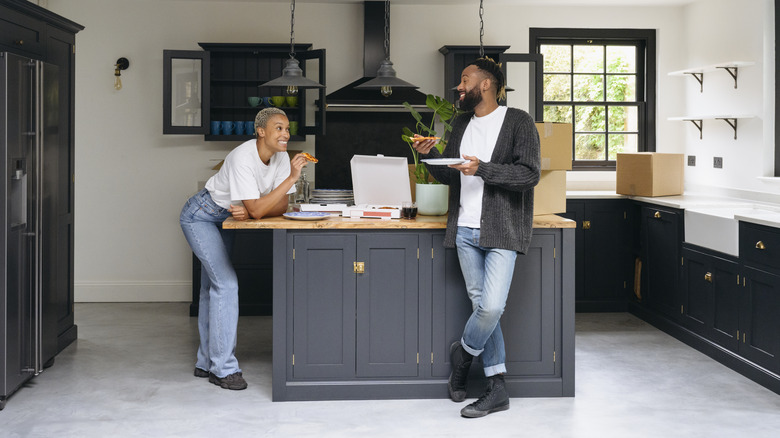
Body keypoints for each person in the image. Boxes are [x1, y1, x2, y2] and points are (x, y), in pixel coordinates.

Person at [412, 57, 541, 417]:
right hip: (465, 228)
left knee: (491, 307)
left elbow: (529, 175)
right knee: (482, 306)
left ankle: (463, 356)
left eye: (465, 80)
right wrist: (432, 156)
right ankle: (497, 387)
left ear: (486, 84)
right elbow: (452, 176)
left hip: (502, 229)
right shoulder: (461, 123)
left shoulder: (518, 121)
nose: (459, 87)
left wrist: (482, 168)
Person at [179, 107, 310, 390]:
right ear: (260, 131)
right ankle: (224, 369)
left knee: (211, 288)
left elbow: (280, 206)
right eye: (278, 128)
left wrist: (255, 209)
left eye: (287, 128)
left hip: (226, 217)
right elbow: (260, 209)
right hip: (200, 214)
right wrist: (288, 181)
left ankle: (206, 362)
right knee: (226, 285)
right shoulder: (242, 157)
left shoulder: (282, 157)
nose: (285, 134)